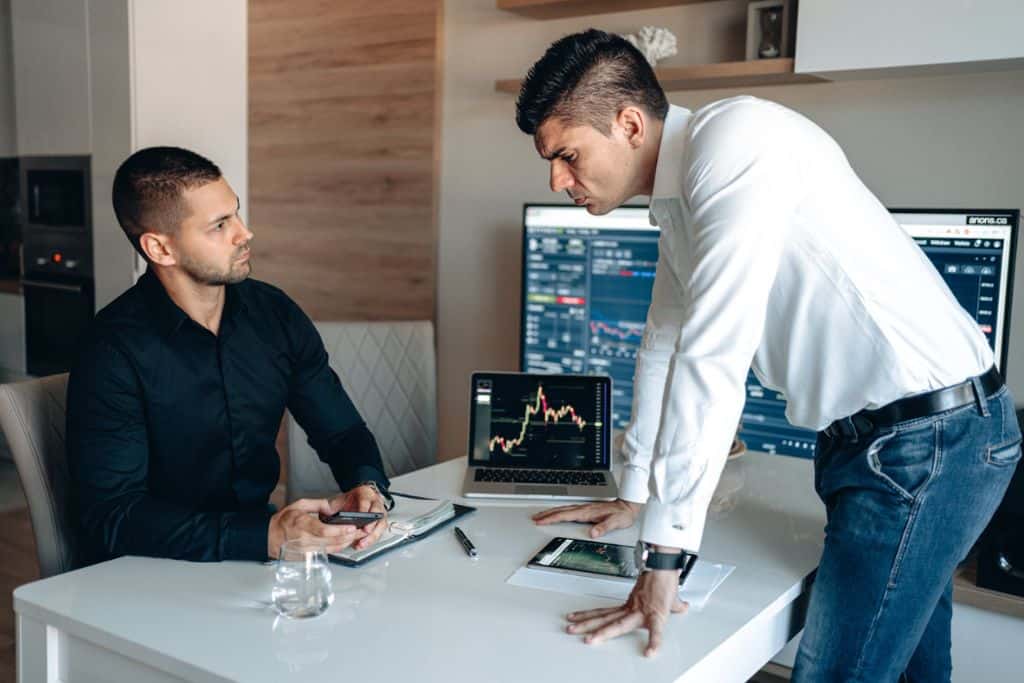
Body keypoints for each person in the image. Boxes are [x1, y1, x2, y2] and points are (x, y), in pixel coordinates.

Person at [518, 29, 1021, 679]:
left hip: (930, 440)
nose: (559, 179)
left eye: (566, 154)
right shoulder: (678, 205)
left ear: (630, 123)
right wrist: (637, 488)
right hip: (888, 442)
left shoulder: (735, 144)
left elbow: (713, 354)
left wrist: (662, 557)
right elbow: (665, 346)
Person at [67, 146, 392, 566]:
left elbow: (342, 432)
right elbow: (114, 515)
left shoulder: (275, 315)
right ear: (160, 249)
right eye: (220, 225)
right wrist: (267, 536)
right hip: (145, 571)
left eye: (235, 213)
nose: (245, 233)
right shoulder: (111, 350)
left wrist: (365, 485)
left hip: (253, 561)